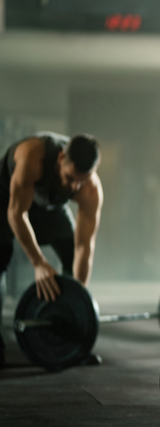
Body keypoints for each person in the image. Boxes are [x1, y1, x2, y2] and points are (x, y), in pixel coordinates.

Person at [0, 132, 103, 368]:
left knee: (70, 254)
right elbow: (16, 214)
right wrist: (38, 262)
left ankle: (73, 342)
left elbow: (83, 247)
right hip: (6, 199)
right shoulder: (32, 157)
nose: (74, 186)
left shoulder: (90, 189)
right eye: (70, 177)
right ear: (60, 158)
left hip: (48, 207)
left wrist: (78, 303)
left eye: (81, 180)